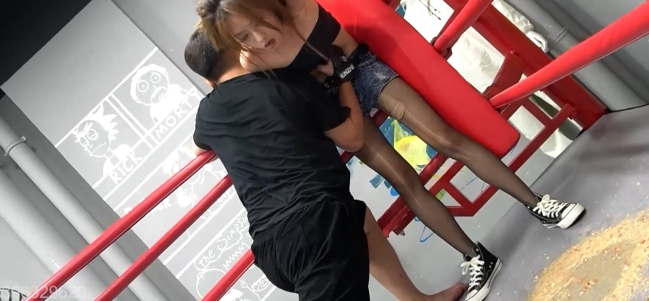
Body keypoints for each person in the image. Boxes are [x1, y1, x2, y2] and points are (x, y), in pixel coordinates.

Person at [196, 0, 585, 301]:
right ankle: (476, 256)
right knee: (404, 180)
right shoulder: (250, 61)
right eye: (242, 36)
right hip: (334, 102)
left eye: (258, 22)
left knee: (445, 139)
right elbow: (238, 95)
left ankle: (540, 204)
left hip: (361, 69)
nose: (258, 37)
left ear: (265, 2)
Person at [185, 29, 465, 301]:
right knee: (348, 221)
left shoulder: (208, 113)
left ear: (209, 81)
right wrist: (343, 79)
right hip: (318, 230)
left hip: (271, 248)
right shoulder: (287, 82)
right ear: (241, 48)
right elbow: (353, 139)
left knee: (361, 220)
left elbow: (197, 148)